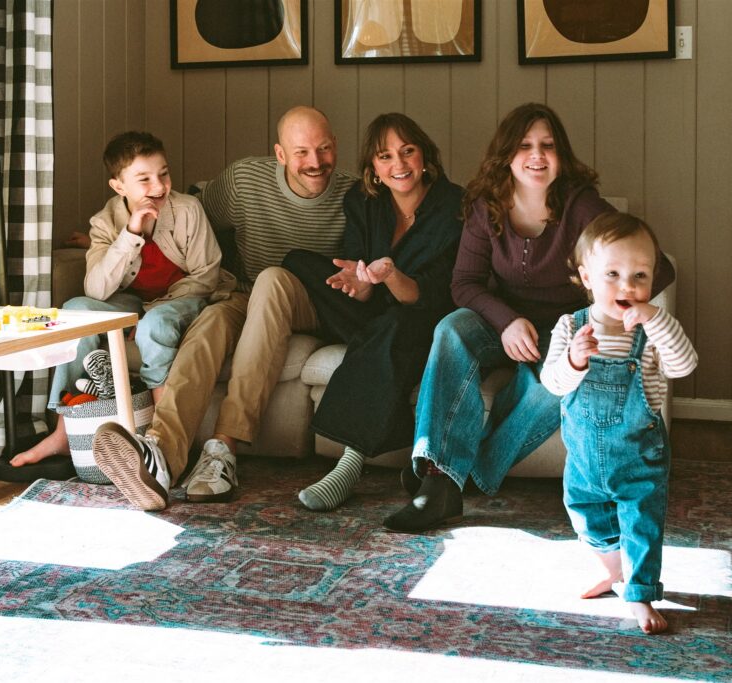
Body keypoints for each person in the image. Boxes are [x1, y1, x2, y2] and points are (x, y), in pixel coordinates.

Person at [382, 102, 676, 532]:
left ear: (562, 154)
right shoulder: (486, 206)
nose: (537, 156)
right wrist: (505, 321)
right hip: (500, 324)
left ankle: (463, 475)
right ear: (507, 154)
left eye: (548, 145)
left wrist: (619, 310)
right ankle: (439, 484)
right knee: (450, 329)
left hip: (565, 330)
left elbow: (658, 268)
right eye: (525, 145)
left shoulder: (582, 208)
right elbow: (463, 284)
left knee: (551, 386)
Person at [91, 106, 357, 510]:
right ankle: (162, 456)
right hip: (247, 293)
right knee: (210, 321)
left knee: (272, 277)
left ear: (336, 146)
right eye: (301, 152)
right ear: (280, 154)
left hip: (315, 300)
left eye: (323, 149)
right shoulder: (246, 179)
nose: (315, 162)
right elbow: (189, 211)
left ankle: (223, 449)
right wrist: (119, 239)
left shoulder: (354, 195)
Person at [10, 131, 235, 467]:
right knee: (76, 312)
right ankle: (63, 435)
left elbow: (206, 275)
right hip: (131, 302)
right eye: (143, 179)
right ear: (119, 187)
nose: (158, 187)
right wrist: (130, 233)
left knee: (155, 324)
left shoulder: (187, 209)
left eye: (163, 174)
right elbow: (97, 291)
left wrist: (152, 312)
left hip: (184, 297)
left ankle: (163, 438)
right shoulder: (105, 222)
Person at [282, 113, 464, 511]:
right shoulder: (363, 202)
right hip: (376, 312)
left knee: (396, 324)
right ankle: (375, 344)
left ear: (425, 157)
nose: (398, 164)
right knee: (296, 260)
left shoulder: (456, 207)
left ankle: (349, 464)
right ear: (374, 169)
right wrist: (361, 286)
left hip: (422, 316)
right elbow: (356, 272)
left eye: (407, 151)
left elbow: (431, 293)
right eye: (385, 156)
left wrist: (390, 275)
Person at [539, 212, 697, 634]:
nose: (627, 287)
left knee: (641, 525)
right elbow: (552, 383)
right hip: (584, 459)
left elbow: (684, 367)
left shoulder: (652, 332)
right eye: (613, 274)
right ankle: (615, 572)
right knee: (587, 519)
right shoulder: (569, 327)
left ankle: (641, 593)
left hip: (639, 455)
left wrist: (657, 320)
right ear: (586, 276)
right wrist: (574, 359)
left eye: (639, 275)